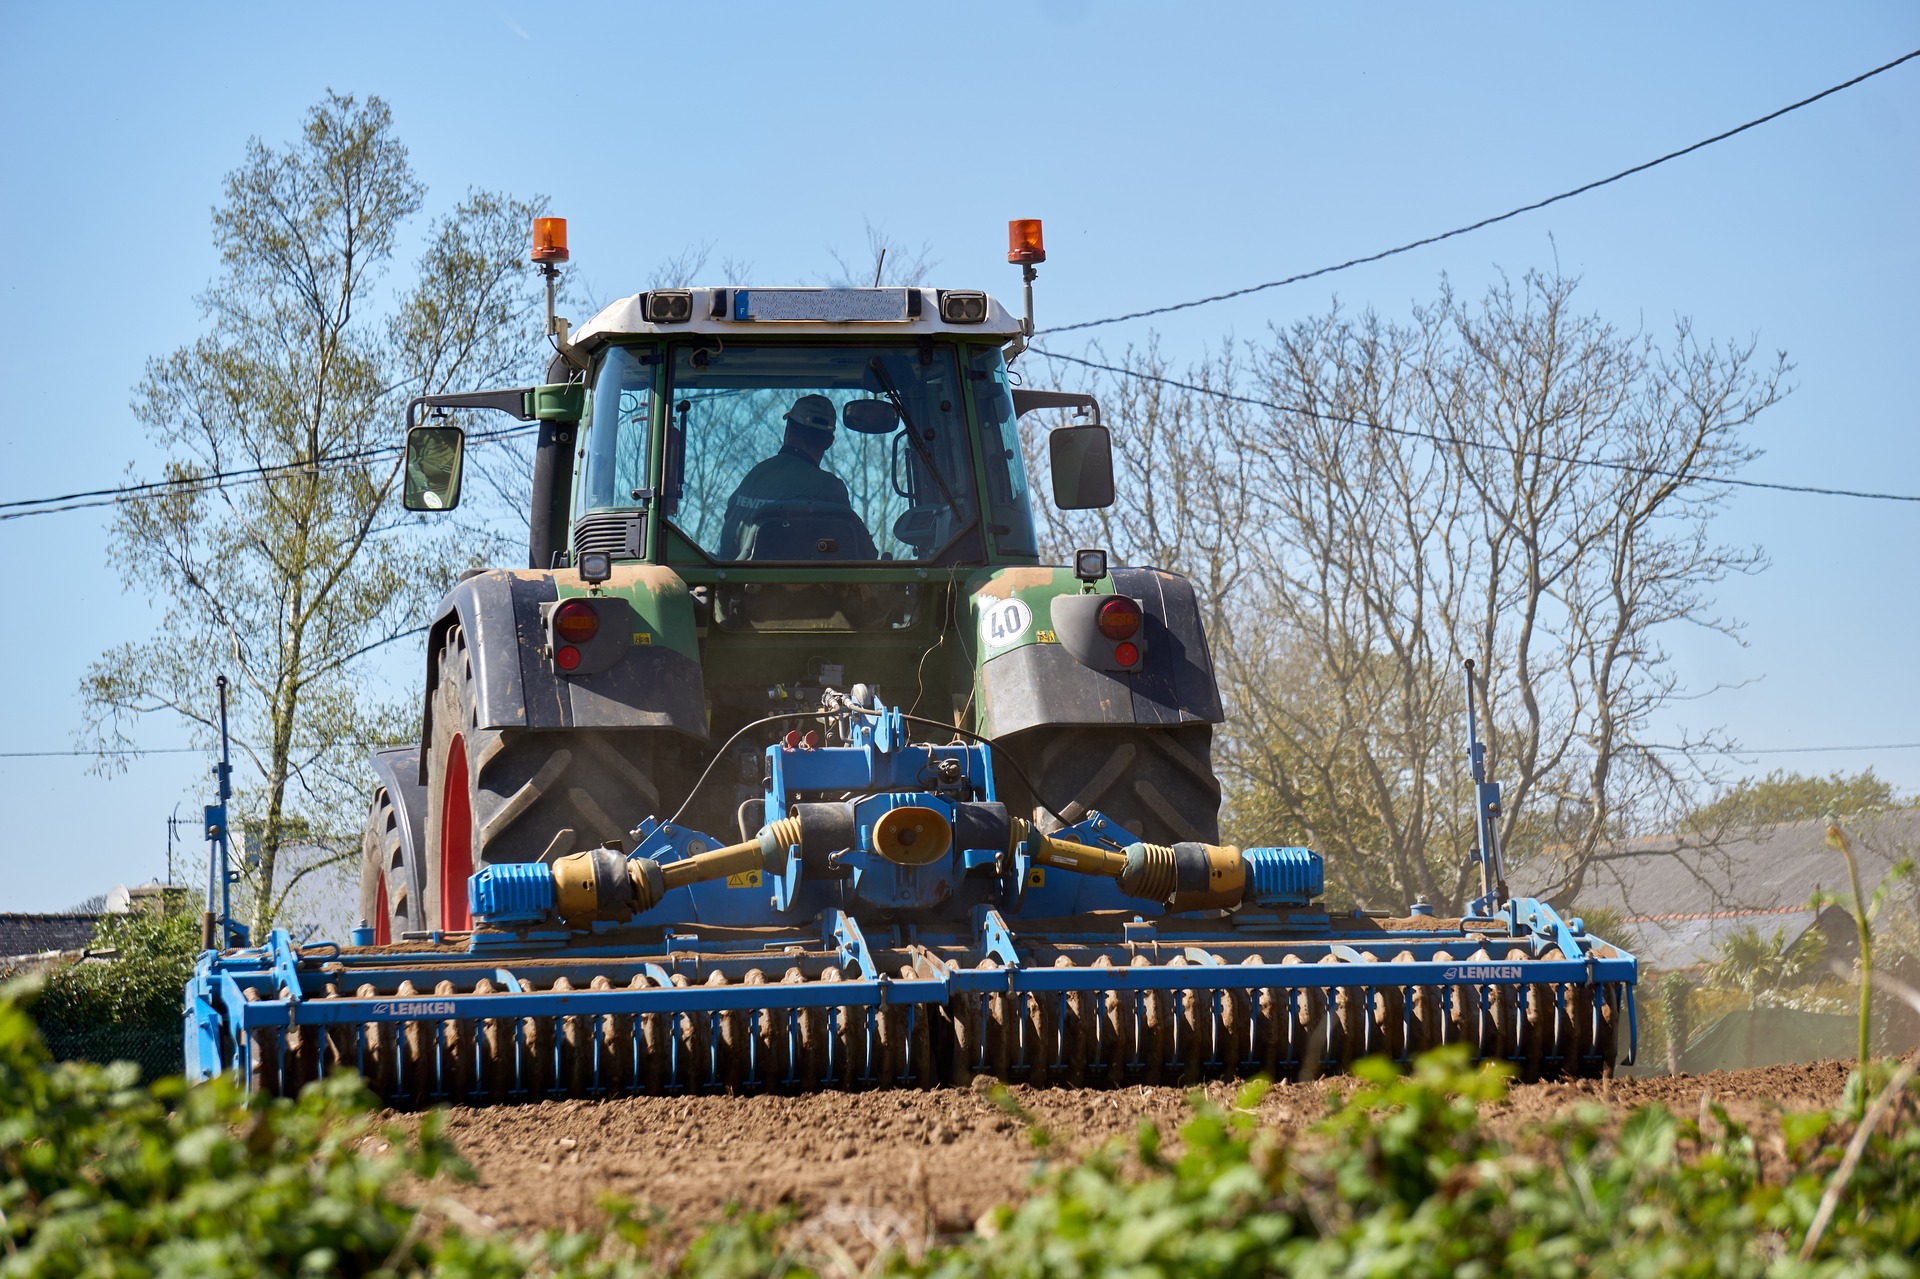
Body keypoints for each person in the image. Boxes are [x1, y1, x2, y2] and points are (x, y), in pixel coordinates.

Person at [718, 394, 877, 559]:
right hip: (792, 584)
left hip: (731, 581)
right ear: (829, 442)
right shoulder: (829, 488)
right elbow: (863, 555)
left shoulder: (755, 475)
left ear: (789, 430)